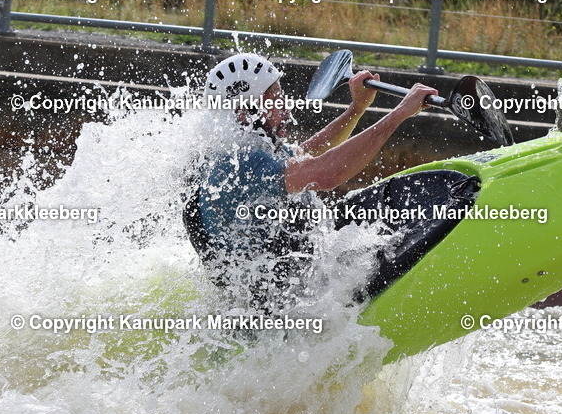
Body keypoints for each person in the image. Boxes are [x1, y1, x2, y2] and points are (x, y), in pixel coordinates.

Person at [183, 53, 478, 305]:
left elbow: (308, 153)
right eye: (275, 99)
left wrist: (357, 108)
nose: (285, 108)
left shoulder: (243, 145)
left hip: (291, 282)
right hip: (277, 306)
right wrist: (400, 113)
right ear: (246, 111)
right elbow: (325, 174)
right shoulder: (242, 159)